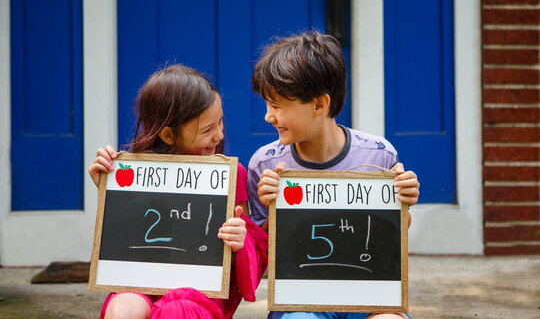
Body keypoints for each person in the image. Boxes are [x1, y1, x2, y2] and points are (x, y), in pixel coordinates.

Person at [248, 31, 420, 319]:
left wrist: (403, 201)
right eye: (267, 105)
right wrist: (269, 212)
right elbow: (261, 260)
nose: (268, 116)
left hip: (369, 295)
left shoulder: (379, 156)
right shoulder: (265, 164)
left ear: (319, 105)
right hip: (300, 300)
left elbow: (389, 244)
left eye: (276, 106)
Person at [88, 64, 268, 319]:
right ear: (168, 135)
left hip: (200, 297)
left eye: (220, 122)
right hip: (141, 285)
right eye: (207, 130)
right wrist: (106, 189)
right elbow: (122, 238)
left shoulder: (231, 175)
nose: (218, 134)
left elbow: (249, 266)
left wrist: (241, 239)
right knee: (125, 307)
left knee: (176, 310)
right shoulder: (136, 173)